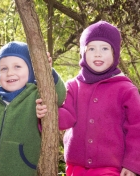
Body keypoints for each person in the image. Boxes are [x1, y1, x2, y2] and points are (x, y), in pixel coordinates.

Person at [36, 21, 140, 176]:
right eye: (91, 48)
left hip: (110, 168)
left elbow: (136, 128)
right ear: (83, 53)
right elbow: (66, 118)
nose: (97, 53)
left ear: (115, 53)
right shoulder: (74, 86)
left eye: (104, 48)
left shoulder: (125, 89)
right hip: (75, 167)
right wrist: (46, 112)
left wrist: (132, 164)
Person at [0, 41, 66, 176]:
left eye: (17, 66)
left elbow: (58, 96)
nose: (10, 73)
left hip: (24, 170)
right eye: (4, 68)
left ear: (32, 70)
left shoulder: (36, 96)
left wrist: (48, 72)